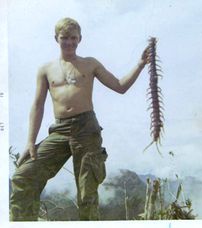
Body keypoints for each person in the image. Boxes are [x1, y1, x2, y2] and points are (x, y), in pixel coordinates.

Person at [10, 17, 149, 221]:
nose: (69, 42)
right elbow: (38, 105)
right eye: (64, 37)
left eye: (73, 38)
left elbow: (120, 86)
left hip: (87, 129)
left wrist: (140, 64)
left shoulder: (90, 64)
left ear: (80, 39)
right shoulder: (46, 70)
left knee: (87, 194)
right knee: (23, 176)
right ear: (56, 38)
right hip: (59, 130)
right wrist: (30, 142)